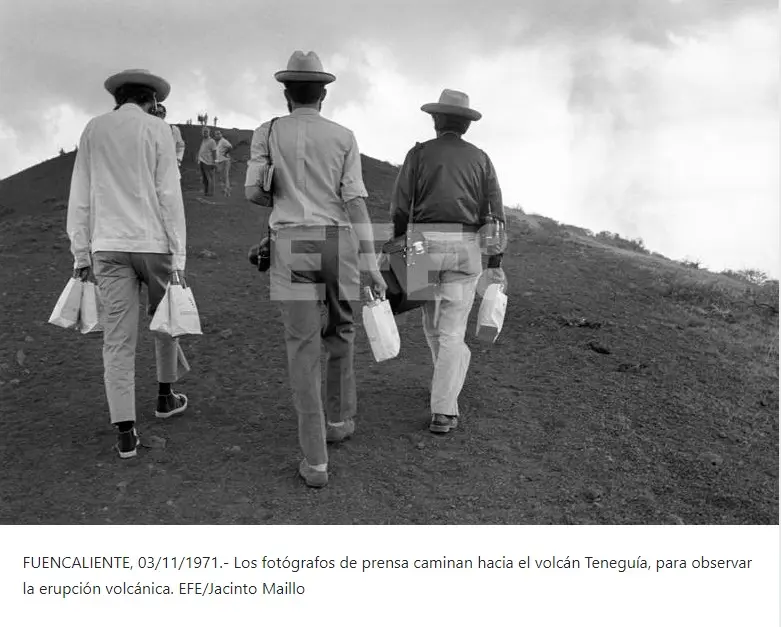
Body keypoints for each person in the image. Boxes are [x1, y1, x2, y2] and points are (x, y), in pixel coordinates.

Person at [245, 50, 386, 488]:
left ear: (286, 94)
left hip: (290, 242)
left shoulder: (266, 132)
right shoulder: (344, 136)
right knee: (341, 332)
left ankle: (316, 461)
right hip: (337, 242)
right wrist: (371, 264)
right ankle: (340, 421)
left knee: (302, 348)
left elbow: (253, 192)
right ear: (323, 94)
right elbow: (356, 202)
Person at [66, 68, 189, 459]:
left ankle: (125, 433)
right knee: (165, 319)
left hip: (107, 245)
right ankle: (165, 396)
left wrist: (80, 252)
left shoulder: (93, 129)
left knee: (117, 340)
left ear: (117, 99)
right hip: (153, 243)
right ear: (151, 101)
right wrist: (179, 254)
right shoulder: (159, 131)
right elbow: (169, 194)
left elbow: (80, 192)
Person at [389, 88, 507, 435]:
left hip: (422, 243)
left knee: (432, 326)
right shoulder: (482, 159)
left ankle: (445, 393)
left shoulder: (418, 154)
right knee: (453, 332)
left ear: (436, 121)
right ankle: (444, 409)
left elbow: (400, 205)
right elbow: (495, 214)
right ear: (466, 126)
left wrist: (396, 244)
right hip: (465, 245)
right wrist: (495, 260)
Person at [153, 103, 185, 168]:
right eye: (155, 113)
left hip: (169, 168)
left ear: (164, 115)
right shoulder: (148, 130)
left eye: (160, 113)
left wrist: (178, 159)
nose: (157, 115)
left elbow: (180, 146)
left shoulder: (173, 130)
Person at [197, 126, 217, 196]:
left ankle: (211, 193)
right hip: (202, 162)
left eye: (206, 132)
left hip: (209, 163)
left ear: (209, 132)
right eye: (204, 132)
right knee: (205, 179)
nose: (205, 133)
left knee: (210, 178)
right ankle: (206, 192)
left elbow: (214, 152)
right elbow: (202, 150)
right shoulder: (203, 140)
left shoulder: (212, 141)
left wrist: (215, 162)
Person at [213, 130, 233, 196]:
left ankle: (227, 191)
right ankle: (226, 189)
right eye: (216, 134)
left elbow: (230, 147)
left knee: (225, 175)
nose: (217, 135)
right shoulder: (218, 142)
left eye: (219, 134)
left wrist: (225, 154)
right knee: (221, 176)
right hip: (220, 161)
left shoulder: (223, 141)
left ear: (221, 134)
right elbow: (218, 152)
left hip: (225, 160)